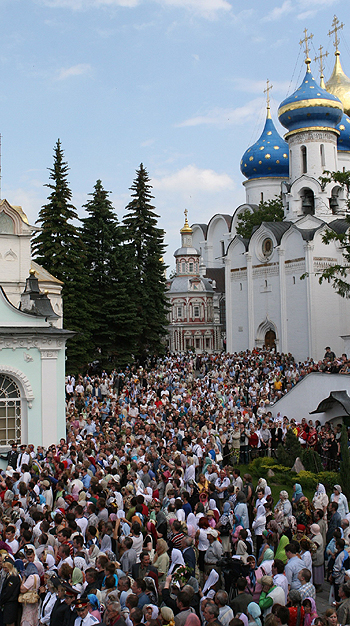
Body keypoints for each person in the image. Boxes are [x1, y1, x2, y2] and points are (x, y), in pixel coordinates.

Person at [0, 556, 21, 626]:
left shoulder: (13, 577)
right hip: (8, 604)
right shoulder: (9, 576)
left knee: (10, 623)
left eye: (6, 568)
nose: (4, 569)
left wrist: (1, 600)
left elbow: (8, 592)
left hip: (11, 604)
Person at [310, 524, 324, 592]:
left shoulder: (316, 539)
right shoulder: (318, 535)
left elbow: (313, 548)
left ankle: (318, 586)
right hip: (319, 557)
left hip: (317, 558)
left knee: (317, 573)